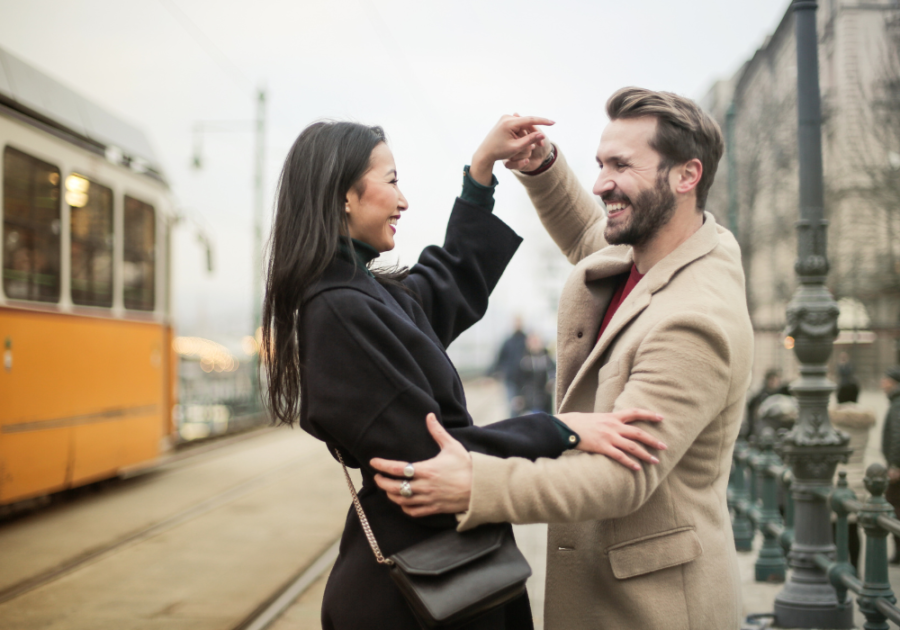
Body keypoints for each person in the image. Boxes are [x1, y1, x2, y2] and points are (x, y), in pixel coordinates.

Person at [372, 87, 754, 630]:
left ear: (686, 176)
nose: (601, 183)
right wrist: (542, 166)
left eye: (622, 165)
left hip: (656, 609)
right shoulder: (656, 246)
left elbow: (621, 477)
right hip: (611, 592)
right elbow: (587, 234)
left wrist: (477, 484)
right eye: (601, 164)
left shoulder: (694, 319)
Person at [261, 119, 667, 630]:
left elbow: (447, 280)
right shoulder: (340, 309)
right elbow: (434, 458)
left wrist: (481, 174)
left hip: (439, 572)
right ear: (344, 196)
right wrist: (562, 428)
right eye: (391, 181)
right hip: (419, 591)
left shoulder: (363, 292)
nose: (403, 200)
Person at [881, 365, 900, 563]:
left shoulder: (897, 404)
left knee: (895, 506)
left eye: (885, 379)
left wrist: (895, 464)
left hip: (897, 468)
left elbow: (897, 435)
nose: (882, 383)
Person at [489, 316, 528, 414]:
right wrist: (489, 373)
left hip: (525, 380)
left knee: (525, 406)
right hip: (510, 379)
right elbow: (499, 358)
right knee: (513, 406)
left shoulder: (527, 340)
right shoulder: (508, 342)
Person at [743, 368, 791, 440]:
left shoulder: (783, 393)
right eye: (772, 380)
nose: (773, 382)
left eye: (776, 380)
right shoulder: (760, 397)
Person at [516, 333, 556, 414]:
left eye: (537, 342)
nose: (535, 344)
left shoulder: (547, 358)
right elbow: (519, 380)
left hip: (545, 399)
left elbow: (553, 373)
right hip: (529, 400)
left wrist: (551, 381)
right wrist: (519, 396)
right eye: (533, 342)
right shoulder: (524, 360)